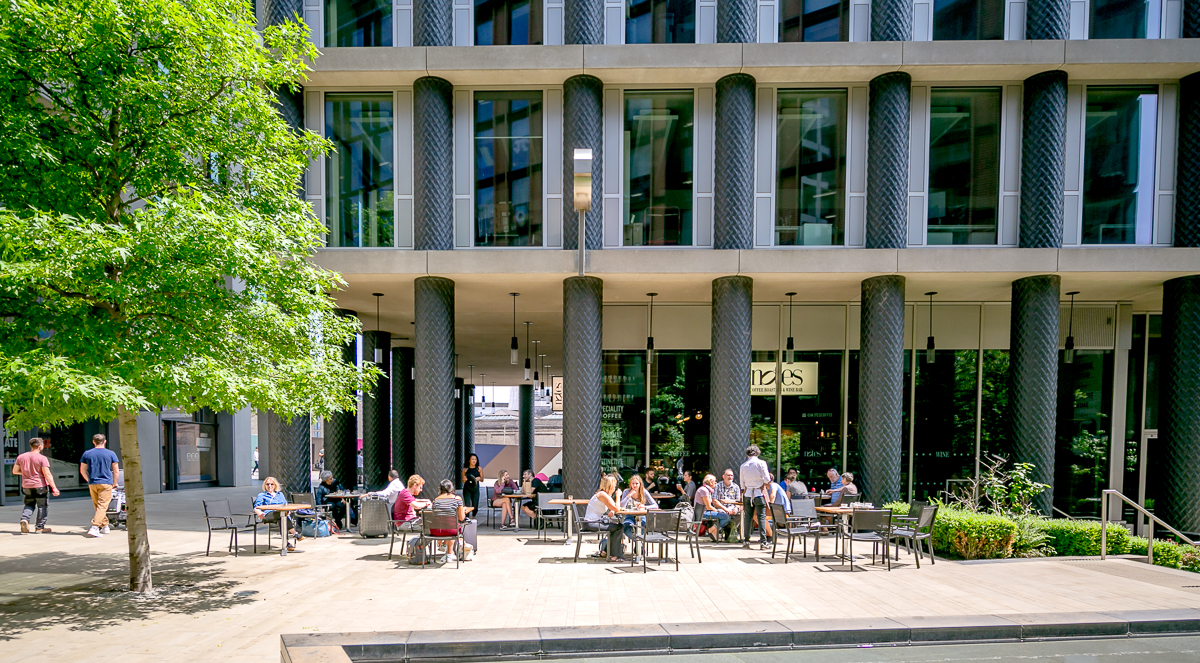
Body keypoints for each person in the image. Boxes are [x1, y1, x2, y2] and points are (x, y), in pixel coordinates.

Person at [13, 437, 59, 533]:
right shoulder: (42, 458)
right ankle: (39, 527)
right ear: (40, 446)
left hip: (26, 485)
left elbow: (15, 471)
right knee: (42, 506)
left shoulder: (21, 457)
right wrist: (54, 488)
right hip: (40, 485)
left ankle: (24, 519)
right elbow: (47, 474)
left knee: (29, 504)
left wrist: (26, 473)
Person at [79, 434, 120, 538]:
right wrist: (115, 483)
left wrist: (88, 480)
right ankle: (95, 527)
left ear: (93, 442)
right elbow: (116, 470)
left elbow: (82, 470)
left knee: (98, 506)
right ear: (105, 441)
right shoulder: (111, 453)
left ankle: (105, 525)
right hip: (106, 482)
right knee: (102, 506)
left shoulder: (87, 453)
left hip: (93, 482)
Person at [583, 475, 628, 562]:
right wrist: (618, 495)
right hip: (591, 523)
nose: (615, 486)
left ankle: (605, 551)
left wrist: (613, 511)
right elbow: (617, 508)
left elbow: (613, 508)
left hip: (591, 522)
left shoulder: (602, 494)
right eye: (614, 484)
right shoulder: (603, 495)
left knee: (615, 527)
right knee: (619, 527)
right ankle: (615, 555)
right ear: (610, 485)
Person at [739, 444, 773, 549]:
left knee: (748, 517)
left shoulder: (743, 465)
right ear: (757, 453)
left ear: (747, 454)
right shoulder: (761, 463)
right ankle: (763, 542)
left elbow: (742, 484)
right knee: (761, 517)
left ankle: (746, 540)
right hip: (759, 493)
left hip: (748, 493)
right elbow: (767, 479)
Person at [429, 479, 471, 562]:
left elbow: (435, 516)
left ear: (440, 489)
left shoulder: (436, 500)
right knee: (452, 524)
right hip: (451, 530)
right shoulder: (457, 499)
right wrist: (463, 510)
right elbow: (461, 518)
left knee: (446, 523)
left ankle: (444, 547)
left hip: (436, 531)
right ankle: (449, 554)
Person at [254, 476, 300, 551]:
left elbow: (285, 504)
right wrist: (259, 513)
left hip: (280, 515)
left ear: (275, 485)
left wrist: (287, 511)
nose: (269, 486)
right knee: (281, 515)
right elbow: (256, 507)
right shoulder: (261, 495)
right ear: (264, 485)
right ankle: (295, 534)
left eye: (272, 484)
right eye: (267, 484)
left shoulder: (280, 494)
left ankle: (287, 543)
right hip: (267, 515)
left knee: (282, 519)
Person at [619, 474, 658, 548]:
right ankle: (639, 544)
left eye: (636, 483)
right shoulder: (626, 492)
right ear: (630, 484)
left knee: (642, 526)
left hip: (641, 515)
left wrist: (644, 507)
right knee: (626, 528)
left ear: (640, 484)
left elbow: (655, 505)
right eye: (633, 483)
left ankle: (638, 547)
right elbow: (621, 506)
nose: (635, 485)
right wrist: (628, 496)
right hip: (629, 515)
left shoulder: (643, 491)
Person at [693, 474, 735, 543]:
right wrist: (717, 511)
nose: (716, 483)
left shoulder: (706, 490)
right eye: (715, 481)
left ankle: (713, 530)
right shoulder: (704, 490)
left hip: (703, 512)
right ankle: (711, 530)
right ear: (710, 481)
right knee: (726, 517)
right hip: (702, 513)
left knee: (724, 515)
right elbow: (708, 506)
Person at [713, 469, 742, 542]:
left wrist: (736, 508)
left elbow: (738, 502)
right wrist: (726, 509)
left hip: (732, 508)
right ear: (723, 476)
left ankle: (730, 530)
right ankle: (721, 530)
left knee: (741, 514)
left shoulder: (736, 487)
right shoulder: (717, 486)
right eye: (728, 475)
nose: (730, 477)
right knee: (724, 514)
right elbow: (715, 501)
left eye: (731, 475)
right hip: (722, 507)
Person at [461, 453, 482, 518]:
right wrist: (464, 479)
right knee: (467, 504)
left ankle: (474, 515)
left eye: (475, 459)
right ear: (469, 460)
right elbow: (463, 480)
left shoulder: (479, 469)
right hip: (467, 488)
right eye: (472, 459)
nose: (474, 461)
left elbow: (482, 479)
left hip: (475, 488)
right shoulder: (465, 469)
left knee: (475, 505)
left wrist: (479, 478)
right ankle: (466, 517)